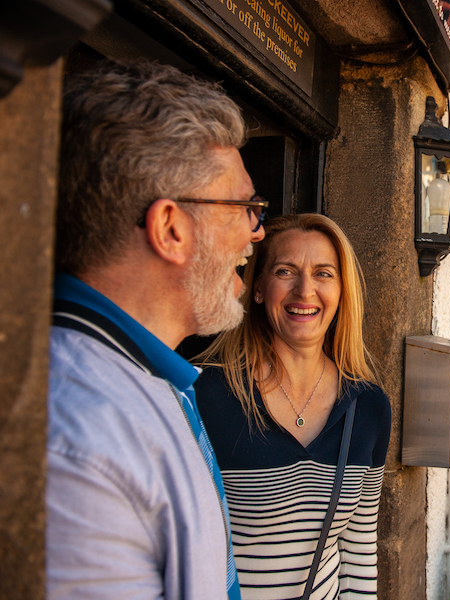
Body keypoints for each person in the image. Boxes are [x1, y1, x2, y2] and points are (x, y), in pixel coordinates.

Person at [47, 59, 266, 599]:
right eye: (242, 206)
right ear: (170, 229)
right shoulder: (78, 442)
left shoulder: (150, 377)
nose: (257, 231)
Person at [194, 214, 391, 599]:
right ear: (258, 288)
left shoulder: (369, 407)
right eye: (286, 271)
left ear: (341, 291)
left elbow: (358, 550)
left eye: (323, 274)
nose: (305, 290)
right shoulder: (206, 396)